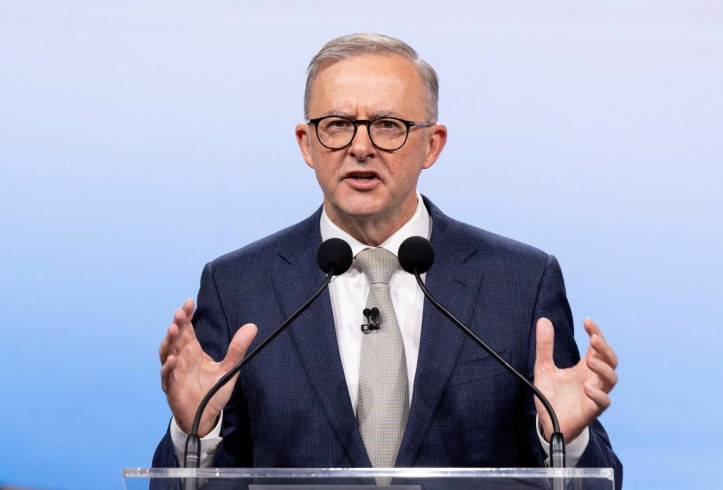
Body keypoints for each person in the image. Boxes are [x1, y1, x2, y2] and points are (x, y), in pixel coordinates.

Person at [154, 33, 622, 487]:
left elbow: (601, 482)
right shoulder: (238, 286)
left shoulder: (520, 283)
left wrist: (567, 437)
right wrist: (194, 434)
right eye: (337, 124)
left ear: (432, 145)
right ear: (306, 143)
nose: (360, 147)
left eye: (387, 125)